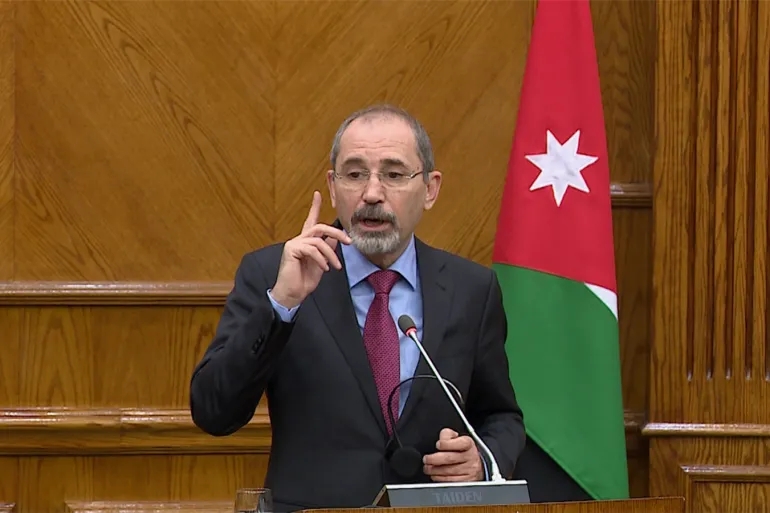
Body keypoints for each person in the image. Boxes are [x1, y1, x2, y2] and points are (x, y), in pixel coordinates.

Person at [189, 104, 526, 512]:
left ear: (430, 188)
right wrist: (281, 304)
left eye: (394, 174)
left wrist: (482, 462)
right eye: (354, 174)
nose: (371, 193)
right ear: (333, 188)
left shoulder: (471, 288)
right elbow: (214, 411)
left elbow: (501, 416)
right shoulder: (273, 274)